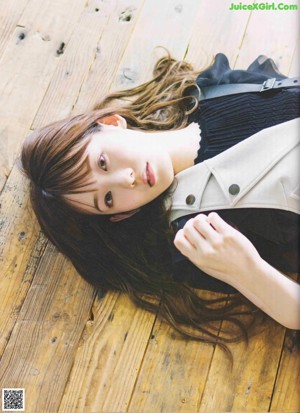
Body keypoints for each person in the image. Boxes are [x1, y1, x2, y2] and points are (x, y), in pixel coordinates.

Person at [20, 52, 300, 352]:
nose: (126, 179)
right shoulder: (196, 236)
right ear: (119, 216)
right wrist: (247, 270)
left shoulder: (211, 89)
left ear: (111, 123)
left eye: (103, 162)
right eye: (108, 199)